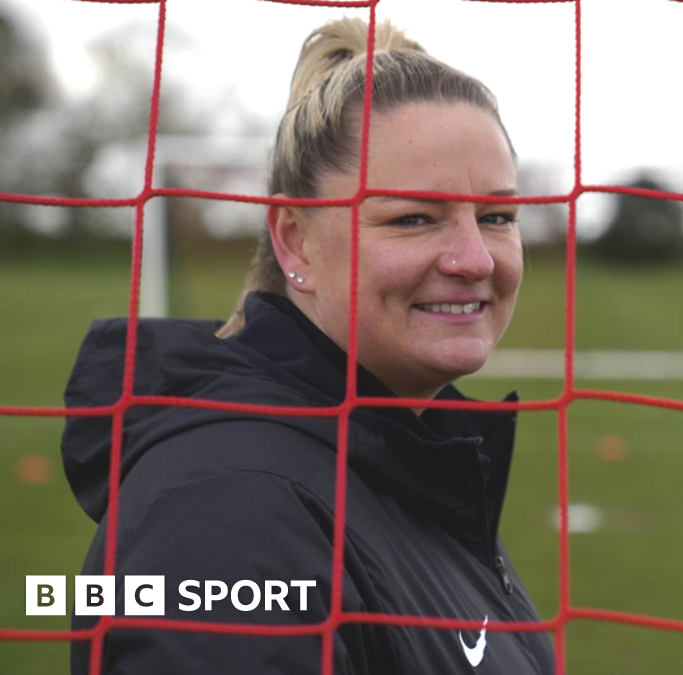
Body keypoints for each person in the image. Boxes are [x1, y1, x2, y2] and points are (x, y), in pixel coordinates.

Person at [62, 17, 553, 674]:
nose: (475, 259)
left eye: (497, 217)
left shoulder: (401, 452)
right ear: (295, 241)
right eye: (413, 217)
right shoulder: (227, 512)